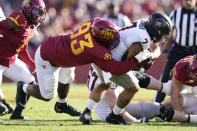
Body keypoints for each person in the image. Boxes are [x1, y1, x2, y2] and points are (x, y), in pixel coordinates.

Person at [10, 17, 153, 120]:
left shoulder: (94, 24)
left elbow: (100, 21)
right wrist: (136, 59)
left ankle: (62, 105)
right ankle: (23, 87)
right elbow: (116, 69)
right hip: (47, 58)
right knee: (47, 95)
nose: (113, 44)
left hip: (57, 44)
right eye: (110, 41)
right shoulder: (97, 51)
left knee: (68, 76)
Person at [79, 12, 172, 125]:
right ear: (156, 30)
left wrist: (150, 56)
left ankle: (87, 112)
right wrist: (139, 62)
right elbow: (127, 62)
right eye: (162, 34)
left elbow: (153, 49)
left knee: (114, 83)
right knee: (133, 87)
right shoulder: (143, 37)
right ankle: (113, 116)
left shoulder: (143, 23)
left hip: (105, 56)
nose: (162, 38)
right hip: (110, 66)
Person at [0, 0, 46, 118]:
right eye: (36, 11)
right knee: (2, 108)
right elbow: (4, 25)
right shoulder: (19, 18)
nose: (39, 15)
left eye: (41, 12)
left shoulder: (31, 26)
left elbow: (22, 50)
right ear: (27, 10)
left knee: (29, 82)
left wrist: (34, 64)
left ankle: (17, 114)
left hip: (10, 60)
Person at [154, 0, 197, 103]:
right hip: (178, 49)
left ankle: (190, 106)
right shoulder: (175, 13)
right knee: (166, 76)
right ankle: (156, 104)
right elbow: (169, 34)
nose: (189, 1)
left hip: (195, 50)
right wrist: (165, 51)